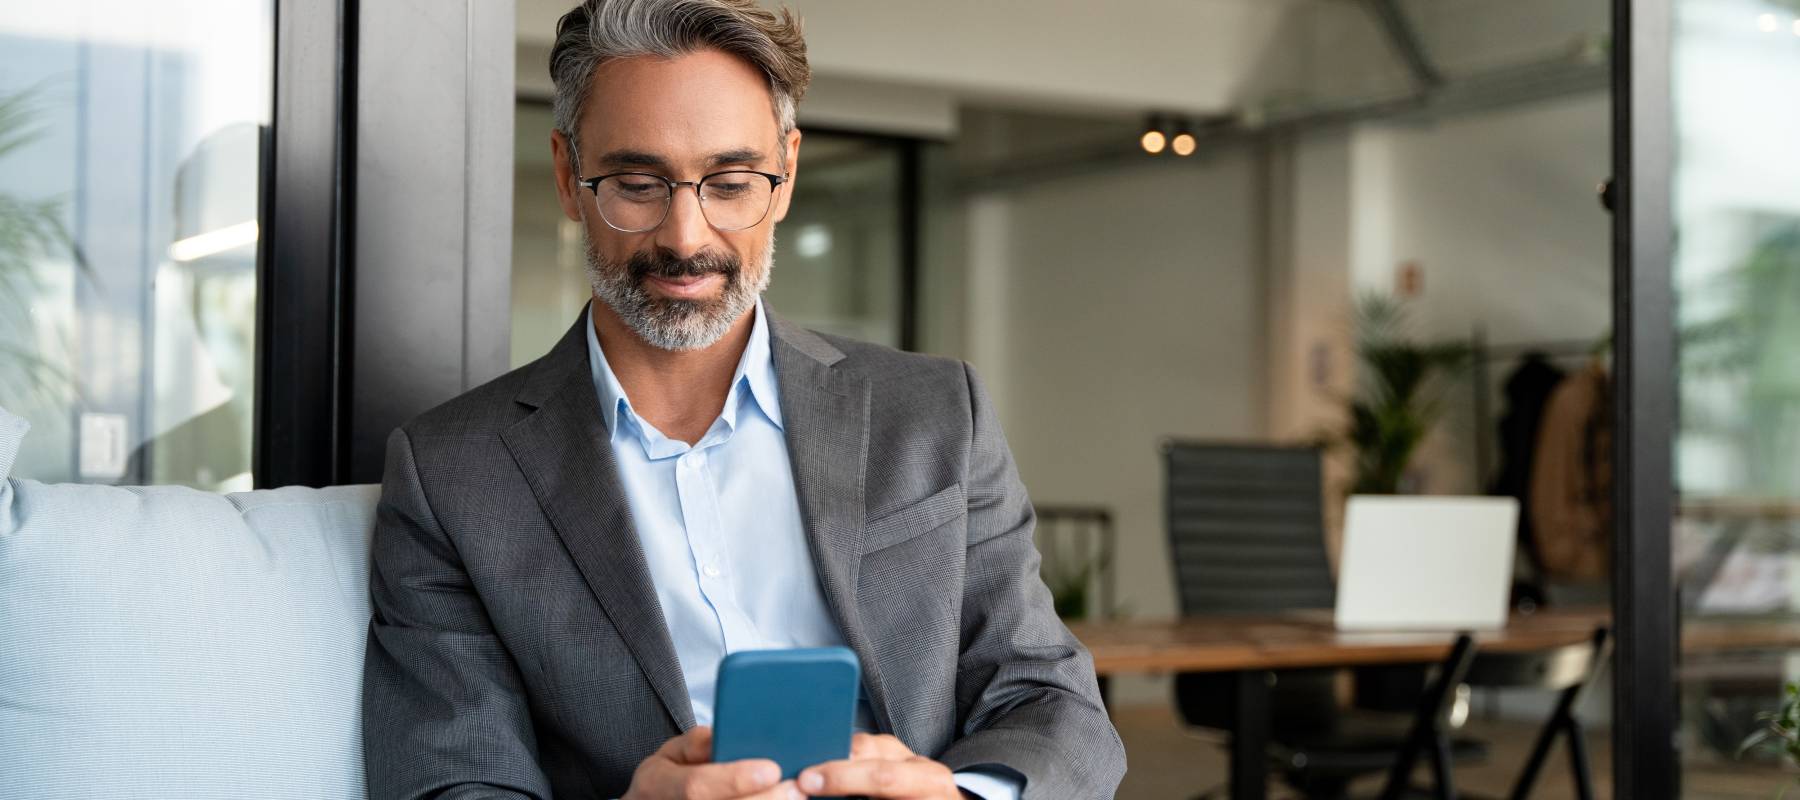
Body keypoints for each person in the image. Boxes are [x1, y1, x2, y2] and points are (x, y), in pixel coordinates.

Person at [360, 1, 1126, 798]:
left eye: (730, 184)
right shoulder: (452, 473)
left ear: (786, 172)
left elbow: (1048, 697)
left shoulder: (935, 414)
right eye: (636, 183)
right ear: (567, 174)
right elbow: (452, 782)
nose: (686, 237)